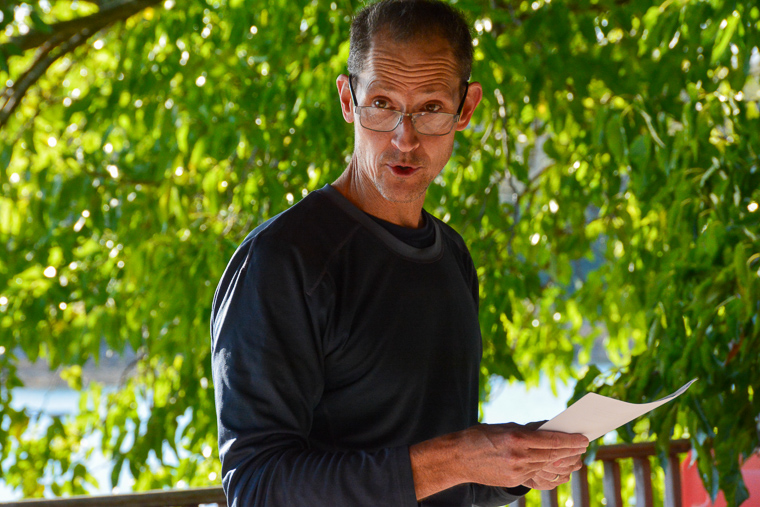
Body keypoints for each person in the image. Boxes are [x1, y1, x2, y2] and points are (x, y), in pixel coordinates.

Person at [210, 1, 589, 505]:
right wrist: (458, 456)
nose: (403, 138)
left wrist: (517, 459)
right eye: (383, 104)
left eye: (430, 108)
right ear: (348, 99)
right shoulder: (282, 261)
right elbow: (257, 490)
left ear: (466, 109)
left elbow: (434, 477)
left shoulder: (451, 255)